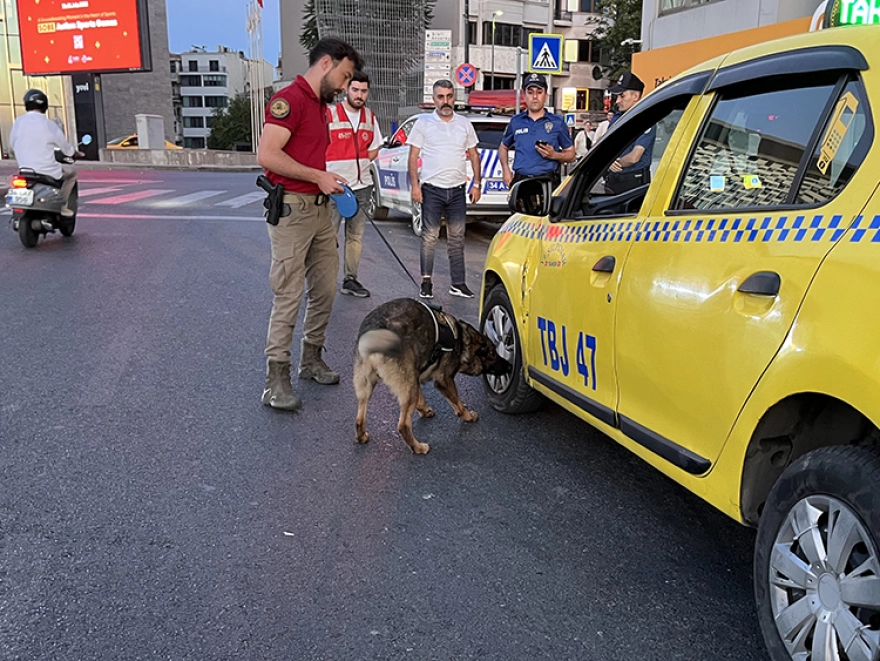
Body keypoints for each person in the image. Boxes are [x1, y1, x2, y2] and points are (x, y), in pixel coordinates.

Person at [257, 38, 363, 412]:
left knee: (325, 290)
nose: (344, 86)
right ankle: (276, 379)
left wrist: (325, 177)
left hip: (321, 210)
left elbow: (304, 156)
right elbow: (267, 155)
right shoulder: (290, 100)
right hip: (293, 210)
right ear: (326, 64)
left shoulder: (319, 105)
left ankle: (311, 358)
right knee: (288, 292)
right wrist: (316, 176)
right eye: (344, 76)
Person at [408, 79, 482, 300]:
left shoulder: (464, 124)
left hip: (457, 190)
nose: (445, 101)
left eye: (449, 96)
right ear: (434, 99)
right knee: (430, 237)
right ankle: (426, 282)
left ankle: (458, 283)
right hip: (432, 189)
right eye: (441, 97)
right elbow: (413, 157)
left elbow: (474, 155)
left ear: (454, 97)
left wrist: (477, 183)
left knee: (457, 238)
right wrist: (415, 186)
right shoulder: (423, 124)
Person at [325, 70, 384, 299]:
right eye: (355, 90)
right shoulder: (330, 115)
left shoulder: (370, 117)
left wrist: (362, 162)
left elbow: (375, 147)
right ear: (346, 90)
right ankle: (324, 281)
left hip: (363, 186)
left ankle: (350, 280)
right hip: (336, 188)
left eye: (364, 91)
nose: (360, 95)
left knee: (355, 237)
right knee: (328, 237)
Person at [10, 89, 82, 217]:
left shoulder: (18, 122)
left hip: (25, 170)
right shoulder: (49, 124)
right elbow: (65, 146)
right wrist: (73, 153)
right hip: (47, 170)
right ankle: (62, 206)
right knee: (72, 174)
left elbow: (12, 142)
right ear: (45, 105)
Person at [499, 73, 575, 188]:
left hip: (547, 182)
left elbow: (571, 155)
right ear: (524, 95)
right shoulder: (516, 121)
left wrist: (554, 155)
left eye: (539, 92)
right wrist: (505, 169)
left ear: (546, 96)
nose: (535, 97)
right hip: (521, 181)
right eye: (530, 92)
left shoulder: (557, 122)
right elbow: (503, 147)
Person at [604, 72, 654, 194]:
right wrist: (607, 162)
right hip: (613, 181)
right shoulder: (617, 118)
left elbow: (634, 157)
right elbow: (605, 147)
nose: (617, 101)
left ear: (635, 96)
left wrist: (612, 163)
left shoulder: (646, 119)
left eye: (622, 96)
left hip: (633, 182)